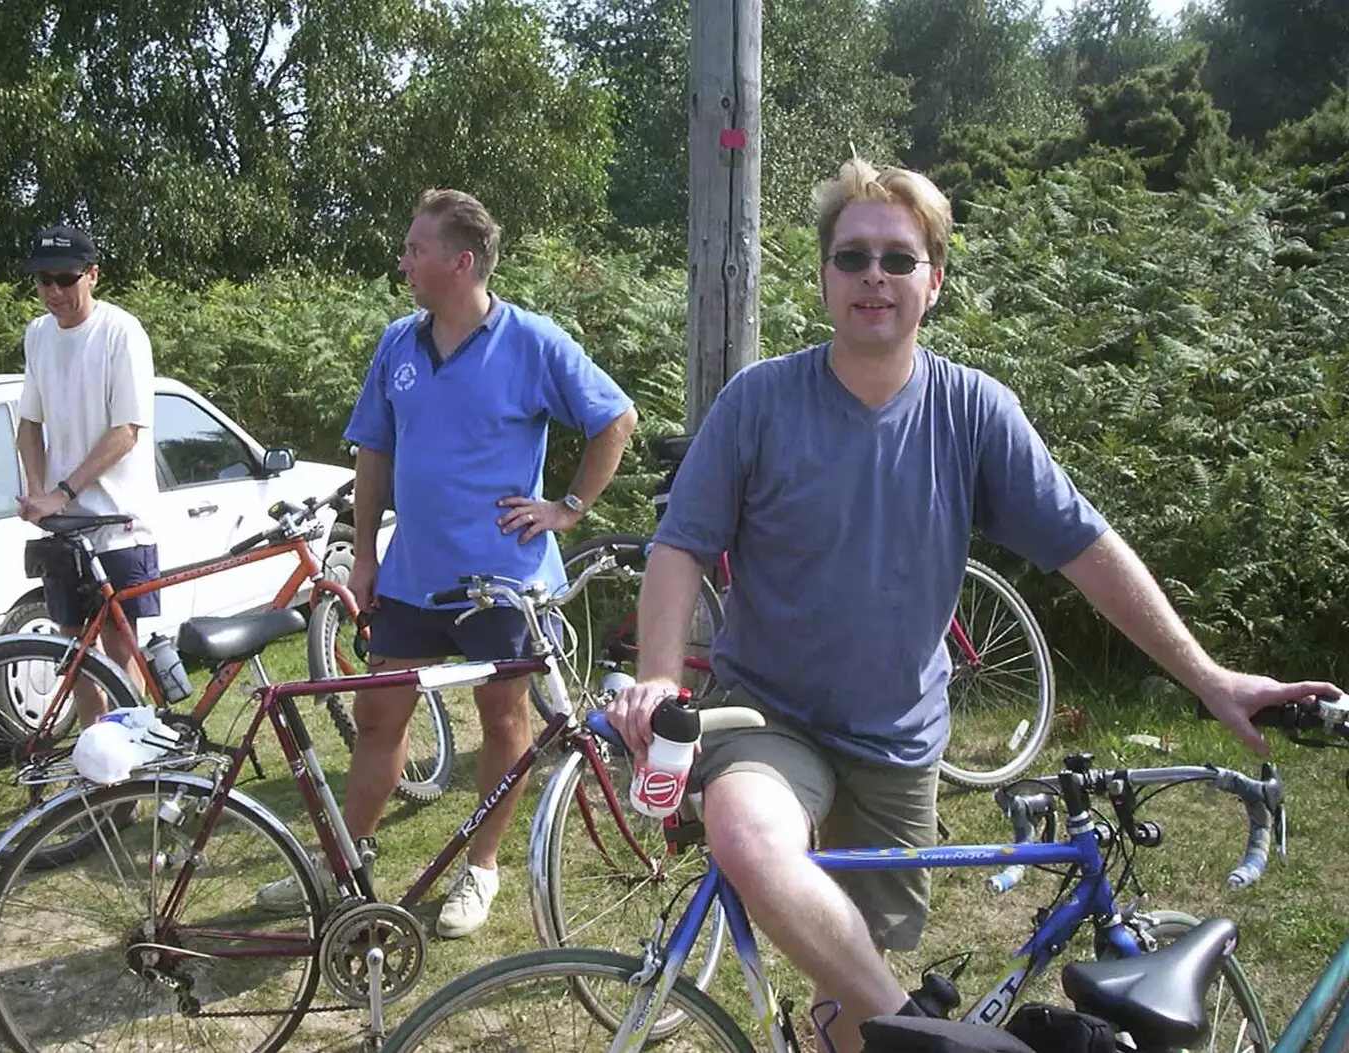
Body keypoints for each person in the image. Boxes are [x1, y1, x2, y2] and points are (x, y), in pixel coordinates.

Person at [605, 157, 1340, 1053]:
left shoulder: (974, 411)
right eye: (852, 256)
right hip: (769, 713)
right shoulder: (759, 403)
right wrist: (653, 677)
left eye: (898, 258)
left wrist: (1210, 677)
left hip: (897, 739)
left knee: (850, 998)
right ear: (825, 275)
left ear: (934, 280)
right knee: (750, 843)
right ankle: (946, 1045)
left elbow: (1087, 548)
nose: (874, 273)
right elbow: (680, 546)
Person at [259, 189, 638, 937]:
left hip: (504, 582)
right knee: (378, 715)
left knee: (503, 718)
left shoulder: (531, 341)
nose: (403, 262)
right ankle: (345, 859)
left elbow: (614, 418)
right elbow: (374, 450)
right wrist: (364, 552)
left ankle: (482, 867)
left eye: (415, 250)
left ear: (460, 262)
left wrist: (566, 507)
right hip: (410, 575)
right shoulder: (399, 342)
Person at [15, 223, 160, 725]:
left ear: (92, 275)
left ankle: (125, 769)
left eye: (65, 279)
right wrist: (37, 492)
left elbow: (126, 431)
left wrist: (62, 490)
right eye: (42, 281)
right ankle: (95, 770)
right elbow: (28, 424)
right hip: (66, 527)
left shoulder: (121, 332)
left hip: (120, 523)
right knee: (75, 658)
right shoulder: (37, 335)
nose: (53, 291)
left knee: (122, 655)